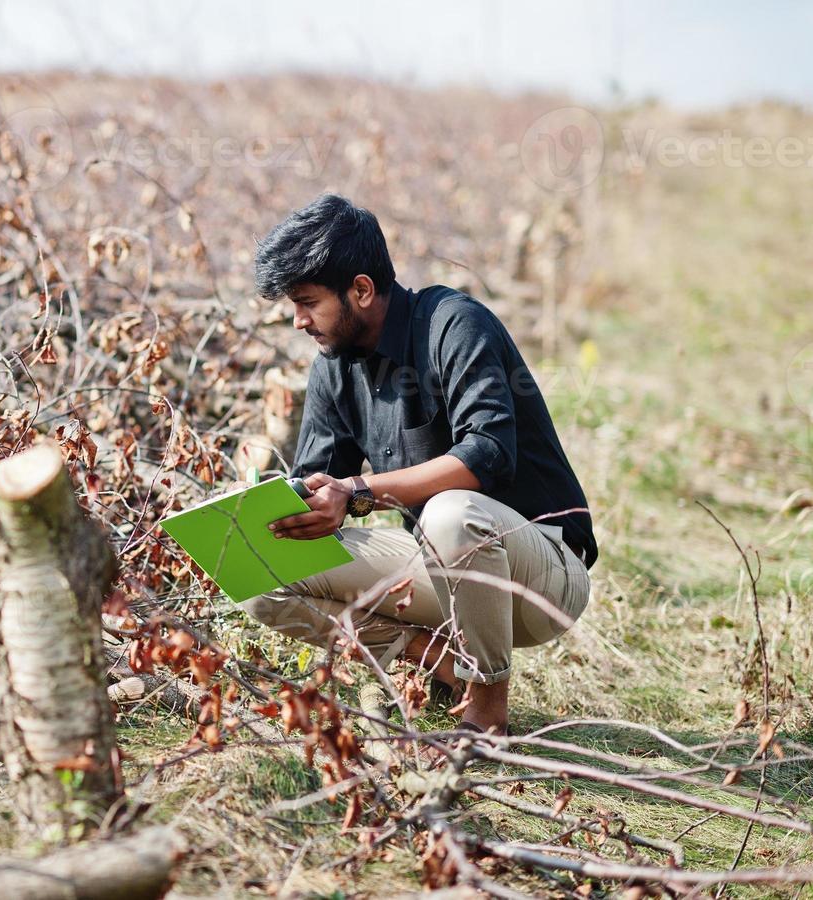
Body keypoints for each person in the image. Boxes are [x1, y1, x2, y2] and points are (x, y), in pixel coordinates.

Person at [241, 193, 595, 734]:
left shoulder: (454, 324)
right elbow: (316, 485)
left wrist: (357, 491)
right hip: (442, 569)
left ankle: (486, 709)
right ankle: (438, 663)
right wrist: (274, 509)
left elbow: (488, 453)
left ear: (360, 289)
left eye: (307, 301)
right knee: (260, 567)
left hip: (541, 575)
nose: (297, 320)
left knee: (451, 513)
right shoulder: (332, 370)